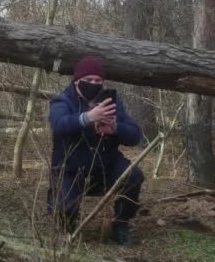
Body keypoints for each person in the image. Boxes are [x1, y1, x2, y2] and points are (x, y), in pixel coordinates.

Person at [47, 55, 144, 247]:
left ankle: (121, 224)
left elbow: (135, 135)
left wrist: (116, 128)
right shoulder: (62, 100)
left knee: (133, 177)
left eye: (98, 80)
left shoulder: (111, 103)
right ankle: (65, 227)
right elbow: (58, 125)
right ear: (77, 82)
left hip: (104, 166)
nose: (94, 84)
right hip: (70, 168)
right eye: (88, 80)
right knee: (64, 205)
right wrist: (88, 117)